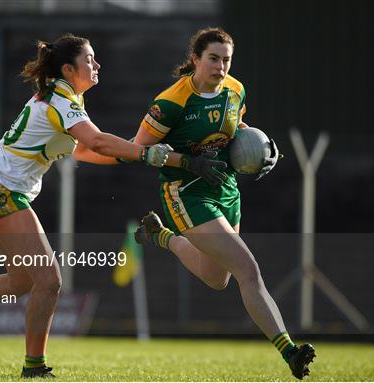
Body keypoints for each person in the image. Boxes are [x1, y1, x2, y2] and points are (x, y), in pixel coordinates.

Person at [0, 33, 173, 378]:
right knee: (49, 281)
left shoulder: (66, 98)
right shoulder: (61, 98)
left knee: (22, 281)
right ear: (68, 68)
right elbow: (97, 142)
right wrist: (143, 153)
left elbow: (86, 150)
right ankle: (34, 367)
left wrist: (131, 155)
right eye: (90, 59)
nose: (97, 64)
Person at [132, 27, 316, 380]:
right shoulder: (171, 102)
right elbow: (140, 150)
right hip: (186, 193)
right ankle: (290, 351)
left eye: (226, 60)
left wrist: (260, 149)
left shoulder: (235, 88)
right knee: (249, 269)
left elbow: (236, 126)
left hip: (225, 187)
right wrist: (188, 162)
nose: (220, 67)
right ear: (196, 59)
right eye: (213, 59)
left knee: (218, 279)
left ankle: (161, 237)